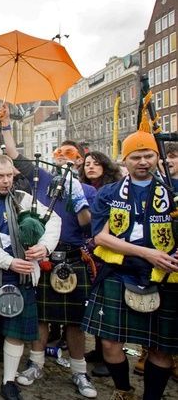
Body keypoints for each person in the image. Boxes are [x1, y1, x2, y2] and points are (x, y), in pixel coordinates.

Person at [0, 105, 98, 398]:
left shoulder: (87, 190)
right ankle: (36, 364)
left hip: (72, 256)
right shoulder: (40, 177)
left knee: (75, 322)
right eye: (60, 154)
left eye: (71, 156)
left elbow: (87, 227)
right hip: (42, 258)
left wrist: (79, 200)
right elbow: (14, 154)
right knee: (41, 317)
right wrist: (6, 125)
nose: (64, 159)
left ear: (79, 162)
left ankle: (80, 373)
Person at [82, 122, 178, 400]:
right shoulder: (109, 193)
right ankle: (124, 390)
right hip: (119, 271)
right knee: (110, 343)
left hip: (165, 276)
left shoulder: (173, 192)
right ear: (125, 160)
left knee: (161, 347)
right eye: (136, 157)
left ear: (157, 157)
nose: (143, 162)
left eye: (148, 155)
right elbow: (100, 238)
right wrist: (148, 253)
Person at [0, 154, 61, 400]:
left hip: (22, 277)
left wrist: (45, 247)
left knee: (15, 333)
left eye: (10, 176)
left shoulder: (23, 199)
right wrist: (9, 261)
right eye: (0, 176)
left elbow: (53, 220)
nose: (7, 181)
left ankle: (8, 381)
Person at [77, 150, 123, 377]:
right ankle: (97, 349)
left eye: (95, 164)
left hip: (109, 252)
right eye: (87, 164)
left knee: (109, 306)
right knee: (94, 303)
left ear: (105, 166)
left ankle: (110, 354)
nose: (91, 167)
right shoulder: (81, 189)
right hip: (89, 251)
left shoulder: (115, 190)